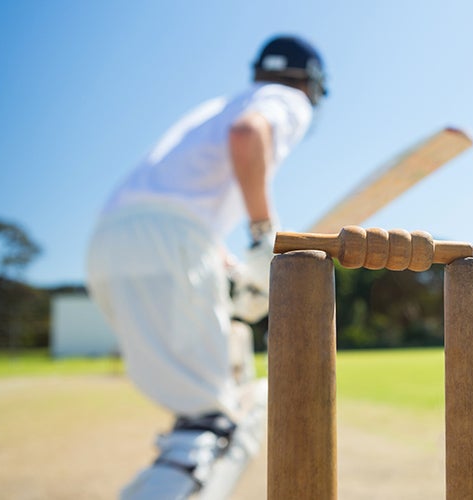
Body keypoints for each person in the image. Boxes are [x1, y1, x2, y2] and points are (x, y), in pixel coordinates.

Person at [86, 34, 328, 499]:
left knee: (200, 413)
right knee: (219, 425)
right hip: (169, 242)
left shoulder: (212, 110)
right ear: (310, 83)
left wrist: (233, 273)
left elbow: (180, 210)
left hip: (111, 243)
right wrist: (263, 235)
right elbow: (248, 135)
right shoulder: (286, 99)